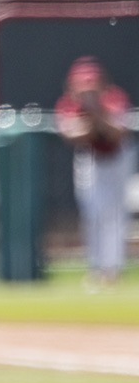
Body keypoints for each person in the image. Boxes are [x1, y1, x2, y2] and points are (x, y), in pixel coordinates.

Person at [54, 56, 136, 287]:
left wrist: (97, 114)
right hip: (89, 157)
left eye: (92, 85)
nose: (87, 92)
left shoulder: (113, 98)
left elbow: (116, 133)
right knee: (92, 212)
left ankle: (113, 270)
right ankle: (97, 267)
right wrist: (90, 124)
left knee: (115, 214)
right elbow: (70, 134)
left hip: (118, 156)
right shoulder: (69, 103)